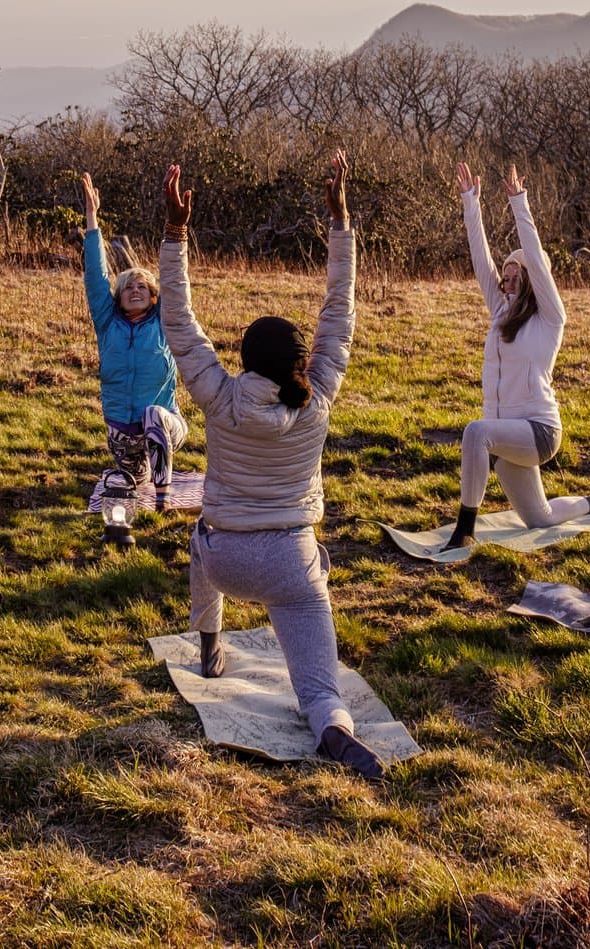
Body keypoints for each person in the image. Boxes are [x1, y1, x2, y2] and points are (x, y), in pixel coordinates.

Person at [164, 151, 386, 781]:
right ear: (301, 360)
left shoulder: (222, 397)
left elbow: (177, 319)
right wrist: (341, 224)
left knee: (198, 537)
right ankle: (336, 733)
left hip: (226, 556)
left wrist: (175, 233)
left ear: (244, 358)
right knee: (320, 688)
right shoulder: (319, 397)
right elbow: (339, 310)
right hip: (292, 561)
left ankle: (209, 646)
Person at [442, 161, 590, 552]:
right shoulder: (501, 312)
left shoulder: (550, 317)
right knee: (538, 518)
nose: (504, 283)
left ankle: (464, 531)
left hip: (539, 431)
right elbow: (480, 260)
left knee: (476, 432)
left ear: (529, 281)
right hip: (508, 434)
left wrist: (518, 203)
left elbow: (537, 258)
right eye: (504, 277)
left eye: (513, 277)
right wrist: (470, 203)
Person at [80, 172, 187, 549]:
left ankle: (164, 495)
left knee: (153, 416)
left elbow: (175, 281)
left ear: (154, 296)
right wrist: (92, 220)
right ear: (119, 297)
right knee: (121, 481)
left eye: (143, 286)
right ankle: (140, 488)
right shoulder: (107, 323)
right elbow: (95, 276)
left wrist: (176, 229)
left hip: (165, 427)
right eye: (129, 287)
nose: (136, 290)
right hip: (123, 436)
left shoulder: (164, 322)